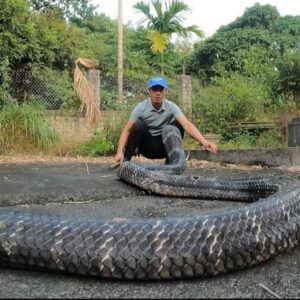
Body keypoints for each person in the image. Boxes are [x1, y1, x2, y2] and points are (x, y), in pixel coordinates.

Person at [114, 75, 218, 166]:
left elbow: (187, 125)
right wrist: (119, 152)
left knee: (178, 124)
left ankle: (173, 162)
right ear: (149, 91)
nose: (158, 93)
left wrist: (204, 142)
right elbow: (127, 130)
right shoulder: (141, 107)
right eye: (154, 89)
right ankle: (125, 161)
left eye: (161, 90)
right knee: (138, 125)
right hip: (147, 147)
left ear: (166, 92)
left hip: (165, 147)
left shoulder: (171, 106)